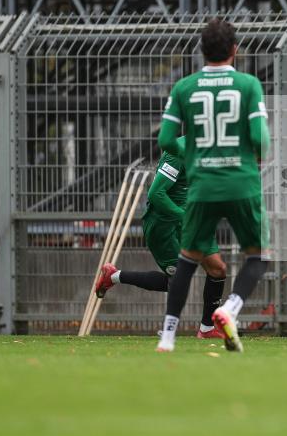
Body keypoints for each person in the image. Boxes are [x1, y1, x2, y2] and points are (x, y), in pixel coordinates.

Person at [156, 18, 271, 353]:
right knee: (259, 256)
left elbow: (165, 139)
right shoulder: (248, 85)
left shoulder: (184, 88)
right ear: (235, 50)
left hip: (202, 186)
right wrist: (254, 160)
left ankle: (167, 336)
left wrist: (193, 155)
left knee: (188, 260)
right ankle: (229, 308)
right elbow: (260, 139)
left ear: (201, 51)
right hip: (241, 183)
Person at [93, 136, 228, 339]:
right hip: (165, 224)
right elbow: (156, 193)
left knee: (217, 269)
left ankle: (207, 329)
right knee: (177, 279)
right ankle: (167, 329)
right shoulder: (178, 151)